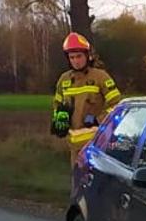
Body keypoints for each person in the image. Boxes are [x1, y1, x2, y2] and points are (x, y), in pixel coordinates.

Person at [49, 31, 123, 163]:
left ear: (87, 56)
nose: (75, 61)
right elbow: (57, 104)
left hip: (98, 145)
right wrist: (59, 118)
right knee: (77, 182)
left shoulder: (100, 77)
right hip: (74, 148)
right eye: (72, 58)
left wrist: (98, 119)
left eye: (79, 56)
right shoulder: (64, 80)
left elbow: (117, 106)